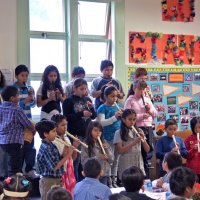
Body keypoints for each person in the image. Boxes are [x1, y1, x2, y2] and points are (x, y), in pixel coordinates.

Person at [62, 78, 96, 181]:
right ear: (74, 88)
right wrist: (81, 114)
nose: (84, 91)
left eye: (85, 89)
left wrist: (92, 108)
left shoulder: (87, 100)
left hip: (87, 134)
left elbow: (94, 116)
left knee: (86, 160)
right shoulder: (68, 101)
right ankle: (75, 183)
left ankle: (87, 182)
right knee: (75, 161)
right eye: (81, 89)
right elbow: (67, 117)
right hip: (75, 134)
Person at [124, 80, 157, 178]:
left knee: (148, 152)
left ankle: (146, 177)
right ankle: (139, 176)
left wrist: (149, 108)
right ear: (134, 89)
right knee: (140, 153)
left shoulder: (147, 99)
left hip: (148, 128)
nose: (142, 91)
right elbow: (126, 115)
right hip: (137, 128)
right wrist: (142, 116)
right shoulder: (130, 100)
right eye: (139, 89)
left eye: (143, 89)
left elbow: (155, 114)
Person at [0, 86, 34, 177]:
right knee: (15, 168)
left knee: (5, 167)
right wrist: (33, 129)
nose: (19, 97)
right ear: (12, 98)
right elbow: (27, 124)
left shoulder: (1, 107)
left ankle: (6, 186)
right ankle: (14, 187)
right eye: (17, 95)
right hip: (15, 142)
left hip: (2, 142)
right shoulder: (17, 109)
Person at [13, 64, 38, 179]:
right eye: (22, 75)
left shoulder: (29, 88)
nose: (25, 78)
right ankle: (18, 171)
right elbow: (13, 105)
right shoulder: (14, 89)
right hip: (18, 123)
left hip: (28, 121)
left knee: (30, 147)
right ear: (17, 76)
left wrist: (32, 98)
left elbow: (32, 105)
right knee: (19, 148)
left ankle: (30, 169)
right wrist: (24, 101)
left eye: (26, 75)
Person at [36, 120, 70, 200]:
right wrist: (68, 155)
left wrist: (66, 150)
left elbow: (58, 159)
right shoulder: (46, 148)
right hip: (49, 181)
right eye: (53, 131)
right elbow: (55, 167)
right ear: (45, 134)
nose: (56, 133)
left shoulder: (51, 144)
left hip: (55, 179)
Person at [97, 85, 122, 188]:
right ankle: (108, 182)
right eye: (112, 96)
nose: (115, 99)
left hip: (118, 138)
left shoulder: (118, 106)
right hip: (107, 138)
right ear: (106, 96)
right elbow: (101, 123)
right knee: (109, 160)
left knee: (116, 160)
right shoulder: (102, 108)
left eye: (116, 96)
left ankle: (114, 180)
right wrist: (115, 117)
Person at [114, 109, 150, 180]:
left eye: (134, 119)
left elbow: (147, 149)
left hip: (138, 162)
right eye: (130, 119)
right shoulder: (118, 133)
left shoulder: (139, 131)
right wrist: (134, 142)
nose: (132, 122)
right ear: (124, 120)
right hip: (126, 163)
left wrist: (143, 140)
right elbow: (120, 150)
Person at [51, 114, 80, 194]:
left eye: (66, 124)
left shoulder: (66, 138)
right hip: (60, 173)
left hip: (70, 171)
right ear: (55, 127)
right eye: (62, 125)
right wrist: (68, 149)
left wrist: (75, 147)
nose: (65, 127)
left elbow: (73, 158)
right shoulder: (54, 141)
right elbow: (62, 158)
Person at [81, 121, 114, 186]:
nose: (98, 133)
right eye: (95, 130)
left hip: (104, 173)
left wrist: (107, 149)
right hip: (92, 176)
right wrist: (98, 157)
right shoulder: (85, 144)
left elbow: (112, 159)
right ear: (90, 131)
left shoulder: (104, 142)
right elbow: (84, 161)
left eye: (100, 131)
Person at [184, 116, 200, 182]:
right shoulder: (188, 139)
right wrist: (193, 149)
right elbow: (185, 155)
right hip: (192, 170)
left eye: (199, 127)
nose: (197, 129)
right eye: (195, 127)